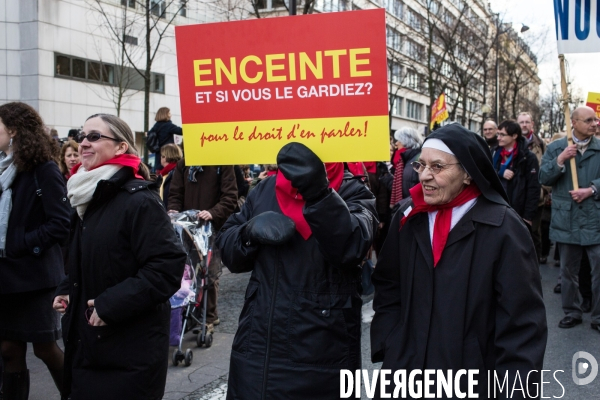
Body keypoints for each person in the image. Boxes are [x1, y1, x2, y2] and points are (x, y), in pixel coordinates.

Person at [371, 123, 547, 398]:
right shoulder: (408, 214)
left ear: (467, 173)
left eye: (438, 167)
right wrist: (392, 344)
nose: (424, 177)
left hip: (473, 380)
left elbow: (522, 325)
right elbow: (388, 285)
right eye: (421, 166)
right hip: (406, 374)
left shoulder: (504, 228)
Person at [216, 143, 377, 399]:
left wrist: (319, 194)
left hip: (321, 355)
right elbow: (229, 252)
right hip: (258, 350)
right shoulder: (266, 189)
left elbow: (351, 246)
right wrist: (247, 234)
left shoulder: (354, 191)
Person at [52, 113, 186, 399]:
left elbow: (167, 268)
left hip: (128, 352)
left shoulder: (139, 201)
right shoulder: (86, 196)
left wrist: (109, 305)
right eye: (81, 134)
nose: (84, 143)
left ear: (121, 147)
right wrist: (68, 289)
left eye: (94, 136)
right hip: (89, 345)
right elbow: (88, 257)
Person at [0, 102, 71, 400]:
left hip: (36, 277)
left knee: (44, 348)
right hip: (6, 277)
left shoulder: (44, 170)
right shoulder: (2, 168)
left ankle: (75, 393)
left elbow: (61, 223)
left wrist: (20, 242)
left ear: (14, 131)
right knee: (8, 349)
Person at [539, 106, 600, 331]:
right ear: (573, 122)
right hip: (567, 220)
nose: (595, 124)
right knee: (568, 272)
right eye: (589, 120)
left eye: (595, 120)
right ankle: (572, 312)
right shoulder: (557, 148)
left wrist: (592, 190)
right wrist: (561, 160)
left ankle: (598, 316)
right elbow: (544, 177)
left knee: (598, 271)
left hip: (594, 218)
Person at [167, 160, 237, 328]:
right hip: (186, 227)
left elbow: (230, 197)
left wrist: (213, 213)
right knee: (188, 272)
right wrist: (173, 210)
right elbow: (175, 192)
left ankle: (209, 316)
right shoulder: (184, 163)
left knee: (209, 272)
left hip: (212, 227)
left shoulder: (222, 162)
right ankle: (189, 313)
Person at [492, 120, 540, 226]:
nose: (498, 138)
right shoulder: (494, 153)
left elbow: (533, 188)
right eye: (498, 134)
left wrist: (528, 216)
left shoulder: (527, 157)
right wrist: (499, 172)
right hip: (496, 208)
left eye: (502, 135)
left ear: (514, 136)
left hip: (518, 211)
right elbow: (485, 174)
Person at [518, 111, 546, 263]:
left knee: (534, 231)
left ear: (532, 124)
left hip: (537, 195)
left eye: (526, 122)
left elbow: (547, 167)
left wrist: (545, 191)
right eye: (521, 122)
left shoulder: (540, 144)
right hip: (519, 195)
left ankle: (535, 261)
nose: (524, 125)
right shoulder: (513, 143)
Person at [389, 127, 422, 208]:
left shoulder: (417, 160)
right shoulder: (403, 160)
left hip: (412, 208)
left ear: (406, 141)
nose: (396, 143)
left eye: (399, 140)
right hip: (404, 206)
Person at [147, 107, 182, 172]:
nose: (171, 114)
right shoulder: (168, 125)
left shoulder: (156, 125)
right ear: (165, 114)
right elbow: (181, 131)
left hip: (159, 154)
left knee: (159, 172)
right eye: (169, 113)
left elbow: (149, 133)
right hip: (168, 153)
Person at [156, 143, 182, 210]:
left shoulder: (175, 173)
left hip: (172, 212)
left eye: (161, 156)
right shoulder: (165, 173)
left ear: (165, 157)